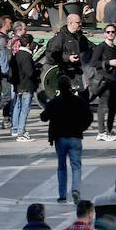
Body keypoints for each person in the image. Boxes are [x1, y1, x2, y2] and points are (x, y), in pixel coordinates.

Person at [39, 75, 93, 204]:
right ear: (70, 87)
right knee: (76, 166)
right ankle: (75, 190)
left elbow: (43, 117)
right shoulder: (78, 101)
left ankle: (62, 195)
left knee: (61, 166)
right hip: (75, 136)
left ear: (59, 88)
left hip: (59, 137)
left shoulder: (55, 102)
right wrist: (82, 128)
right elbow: (89, 116)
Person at [8, 34, 38, 140]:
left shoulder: (16, 54)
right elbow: (29, 72)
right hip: (26, 85)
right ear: (29, 44)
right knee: (25, 109)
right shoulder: (26, 56)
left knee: (17, 107)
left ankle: (15, 129)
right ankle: (21, 132)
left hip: (17, 85)